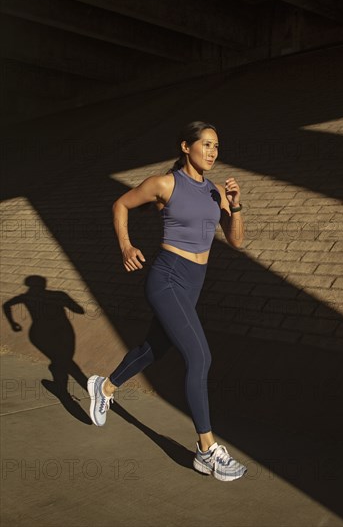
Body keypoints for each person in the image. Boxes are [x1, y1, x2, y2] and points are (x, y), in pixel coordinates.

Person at [87, 120, 247, 481]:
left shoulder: (215, 192)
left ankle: (104, 386)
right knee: (200, 356)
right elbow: (121, 204)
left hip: (194, 283)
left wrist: (235, 207)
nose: (211, 152)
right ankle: (206, 450)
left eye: (216, 146)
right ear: (185, 146)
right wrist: (126, 245)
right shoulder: (165, 183)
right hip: (168, 277)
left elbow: (237, 241)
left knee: (154, 348)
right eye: (205, 144)